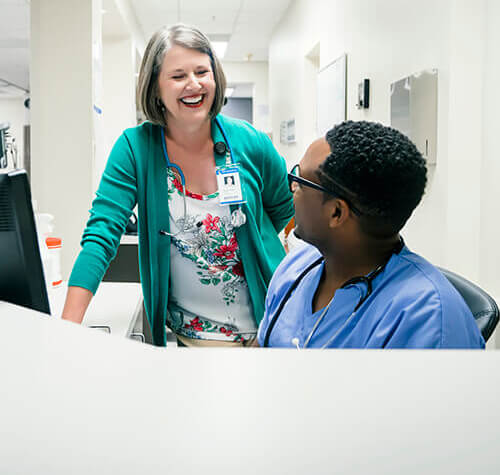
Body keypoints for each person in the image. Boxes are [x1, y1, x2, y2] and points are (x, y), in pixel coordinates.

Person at [62, 24, 294, 347]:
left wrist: (257, 244)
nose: (194, 84)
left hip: (271, 327)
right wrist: (65, 331)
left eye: (202, 71)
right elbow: (101, 236)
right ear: (155, 87)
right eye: (178, 75)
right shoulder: (135, 149)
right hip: (194, 341)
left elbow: (286, 211)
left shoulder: (251, 141)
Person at [258, 121, 484, 349]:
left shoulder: (430, 319)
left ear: (336, 212)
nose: (293, 188)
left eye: (300, 181)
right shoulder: (297, 266)